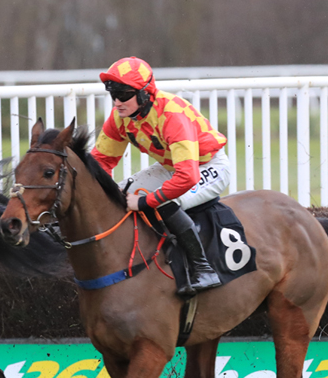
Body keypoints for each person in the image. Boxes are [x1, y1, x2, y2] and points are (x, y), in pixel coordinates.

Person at [91, 56, 229, 296]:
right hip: (172, 166)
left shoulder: (172, 116)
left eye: (123, 94)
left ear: (145, 94)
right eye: (112, 93)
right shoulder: (120, 118)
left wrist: (145, 201)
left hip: (208, 166)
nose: (116, 102)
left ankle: (203, 269)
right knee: (120, 194)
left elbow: (187, 177)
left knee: (164, 200)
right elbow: (101, 162)